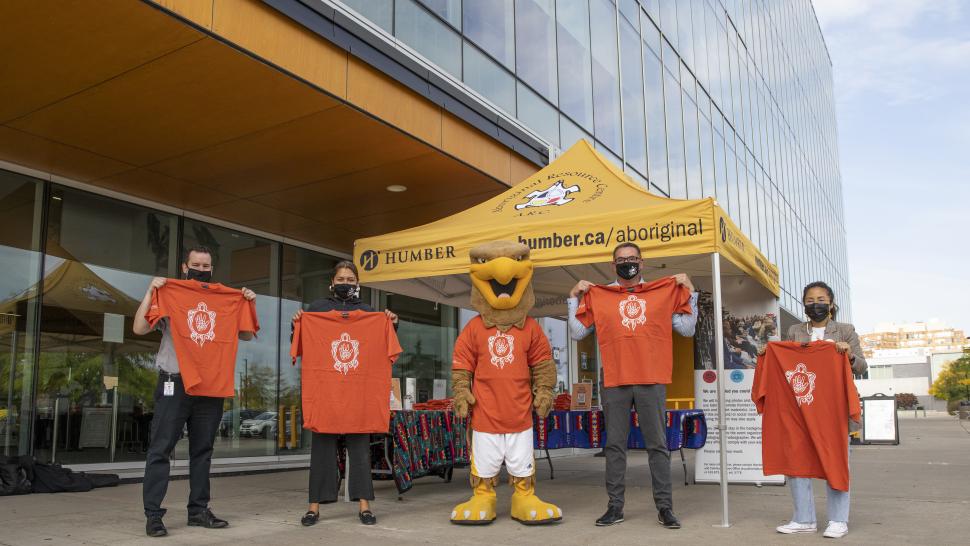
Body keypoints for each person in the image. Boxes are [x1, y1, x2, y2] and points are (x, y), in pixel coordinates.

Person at [567, 242, 697, 529]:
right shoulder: (600, 295)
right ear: (613, 265)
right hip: (615, 378)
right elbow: (577, 333)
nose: (628, 263)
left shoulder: (661, 292)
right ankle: (615, 507)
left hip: (651, 378)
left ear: (642, 262)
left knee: (658, 446)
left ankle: (665, 508)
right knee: (614, 446)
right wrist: (573, 297)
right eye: (621, 259)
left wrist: (692, 291)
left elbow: (687, 329)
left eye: (633, 258)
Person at [133, 246, 257, 538]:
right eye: (196, 264)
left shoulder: (225, 299)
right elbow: (139, 327)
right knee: (160, 448)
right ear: (184, 267)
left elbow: (247, 334)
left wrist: (249, 303)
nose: (201, 268)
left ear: (211, 270)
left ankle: (198, 511)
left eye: (206, 265)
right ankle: (153, 515)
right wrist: (151, 291)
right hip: (173, 382)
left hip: (210, 385)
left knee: (203, 451)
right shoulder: (171, 294)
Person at [291, 260, 398, 527]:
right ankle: (313, 508)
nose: (345, 284)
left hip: (358, 393)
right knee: (321, 451)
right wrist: (298, 325)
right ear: (332, 283)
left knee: (360, 451)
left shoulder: (369, 312)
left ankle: (364, 506)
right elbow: (301, 343)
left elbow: (384, 348)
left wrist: (391, 324)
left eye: (350, 280)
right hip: (326, 392)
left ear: (358, 284)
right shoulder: (316, 310)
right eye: (341, 280)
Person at [772, 281, 867, 539]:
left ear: (831, 303)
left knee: (835, 461)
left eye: (821, 299)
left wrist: (848, 354)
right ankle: (804, 519)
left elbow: (861, 367)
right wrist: (765, 356)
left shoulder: (845, 330)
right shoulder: (793, 331)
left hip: (835, 409)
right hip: (800, 409)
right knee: (796, 463)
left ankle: (838, 520)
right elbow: (784, 365)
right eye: (811, 300)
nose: (816, 304)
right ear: (804, 304)